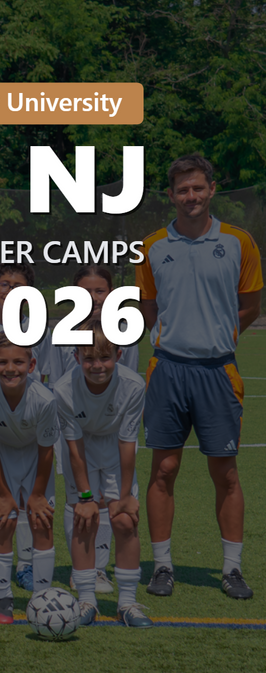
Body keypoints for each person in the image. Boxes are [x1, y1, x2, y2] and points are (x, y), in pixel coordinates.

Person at [136, 154, 261, 600]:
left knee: (225, 473)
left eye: (197, 188)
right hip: (167, 370)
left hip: (218, 372)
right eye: (181, 190)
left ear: (212, 190)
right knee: (163, 470)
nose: (190, 196)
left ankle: (231, 569)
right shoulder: (151, 246)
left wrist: (218, 337)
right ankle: (162, 566)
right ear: (170, 196)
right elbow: (149, 307)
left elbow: (250, 305)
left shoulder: (240, 242)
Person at [55, 320, 151, 628]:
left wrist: (124, 497)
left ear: (119, 355)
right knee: (86, 518)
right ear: (77, 358)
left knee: (124, 520)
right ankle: (87, 600)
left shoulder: (133, 385)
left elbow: (127, 443)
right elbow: (74, 448)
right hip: (83, 450)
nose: (98, 366)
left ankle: (127, 603)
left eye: (105, 357)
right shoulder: (63, 389)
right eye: (89, 359)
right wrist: (85, 497)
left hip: (114, 448)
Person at [0, 334, 59, 624]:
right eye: (2, 362)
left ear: (32, 364)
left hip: (36, 457)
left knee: (42, 521)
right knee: (3, 521)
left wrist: (37, 494)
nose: (10, 368)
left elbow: (47, 451)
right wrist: (5, 496)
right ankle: (3, 598)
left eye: (19, 362)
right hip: (2, 457)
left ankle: (42, 598)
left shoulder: (45, 400)